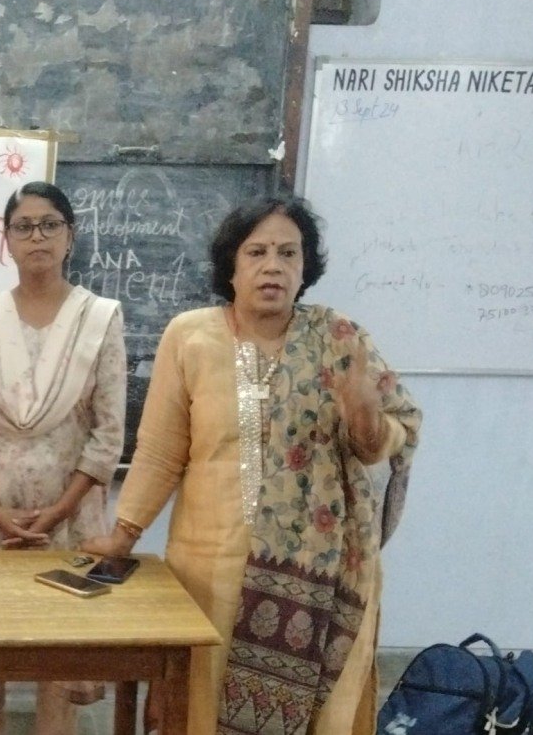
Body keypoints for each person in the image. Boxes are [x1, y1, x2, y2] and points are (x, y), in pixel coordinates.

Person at [83, 193, 422, 735]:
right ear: (232, 266)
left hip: (321, 581)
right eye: (257, 252)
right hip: (210, 572)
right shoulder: (190, 336)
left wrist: (367, 421)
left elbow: (390, 438)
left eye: (289, 253)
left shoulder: (341, 341)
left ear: (305, 267)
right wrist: (123, 535)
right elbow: (161, 449)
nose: (273, 266)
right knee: (202, 710)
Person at [0, 181, 126, 735]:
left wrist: (58, 512)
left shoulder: (100, 319)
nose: (37, 236)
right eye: (23, 226)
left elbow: (109, 432)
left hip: (69, 523)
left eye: (50, 224)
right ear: (7, 240)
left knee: (60, 657)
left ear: (70, 236)